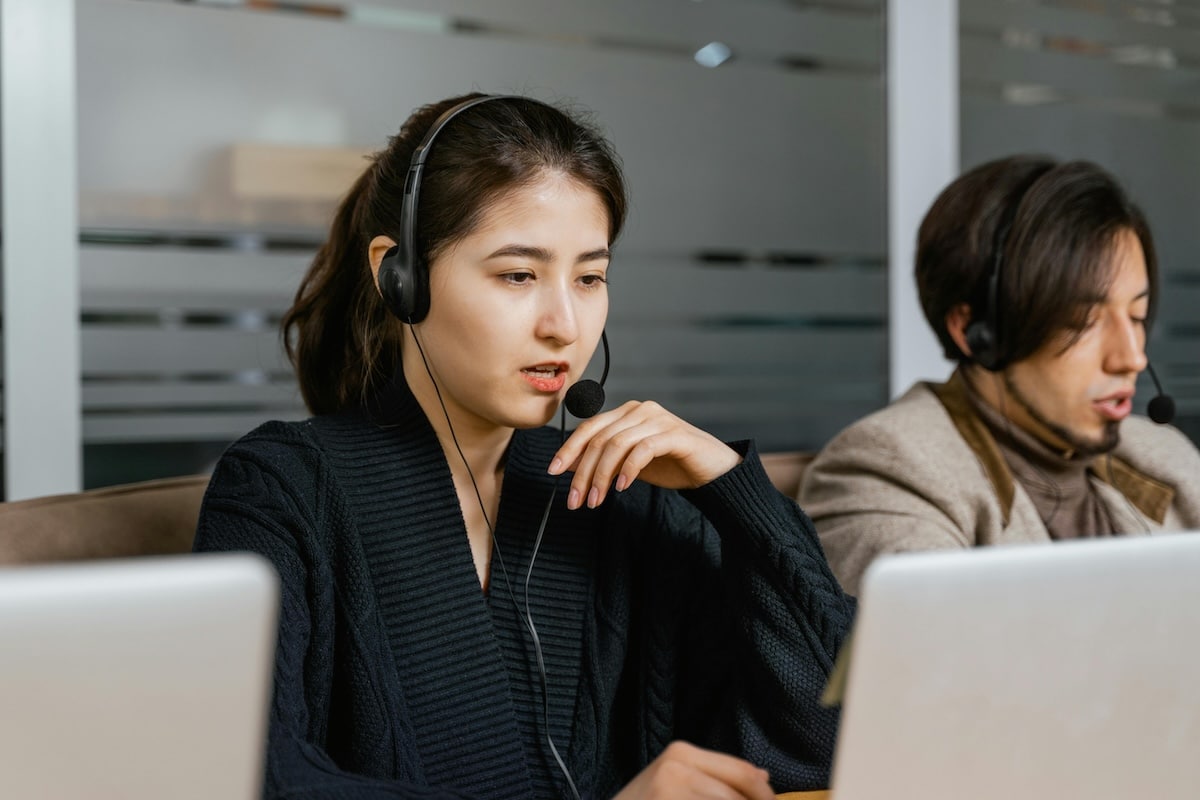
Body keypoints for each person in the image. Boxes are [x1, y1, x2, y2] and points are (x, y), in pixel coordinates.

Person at [193, 92, 854, 799]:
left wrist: (733, 492)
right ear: (399, 277)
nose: (564, 325)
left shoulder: (628, 498)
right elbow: (246, 778)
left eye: (590, 278)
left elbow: (836, 743)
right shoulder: (278, 493)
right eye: (518, 275)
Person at [799, 155, 1200, 595]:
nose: (1132, 358)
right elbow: (941, 640)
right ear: (978, 333)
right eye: (1083, 322)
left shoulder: (1164, 457)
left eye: (1137, 316)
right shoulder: (888, 469)